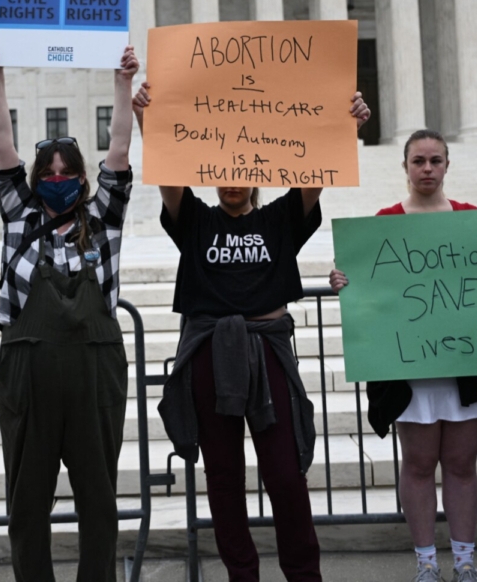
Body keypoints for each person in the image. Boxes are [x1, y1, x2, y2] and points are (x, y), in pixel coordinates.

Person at [135, 79, 371, 582]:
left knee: (285, 475)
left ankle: (303, 574)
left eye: (241, 169)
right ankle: (242, 574)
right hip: (209, 356)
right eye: (221, 170)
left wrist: (344, 122)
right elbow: (169, 176)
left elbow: (315, 173)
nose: (231, 179)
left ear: (256, 174)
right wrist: (148, 120)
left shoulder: (280, 219)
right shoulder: (195, 220)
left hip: (268, 354)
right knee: (222, 475)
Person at [330, 129, 477, 582]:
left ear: (447, 165)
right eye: (418, 161)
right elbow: (373, 292)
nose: (427, 168)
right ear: (406, 167)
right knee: (416, 463)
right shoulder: (384, 221)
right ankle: (427, 563)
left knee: (460, 463)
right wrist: (345, 284)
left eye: (435, 160)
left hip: (465, 365)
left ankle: (465, 561)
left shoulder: (472, 219)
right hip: (411, 367)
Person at [0, 41, 137, 582]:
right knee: (27, 504)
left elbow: (118, 146)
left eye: (66, 169)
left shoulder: (105, 218)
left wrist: (122, 84)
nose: (56, 177)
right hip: (28, 376)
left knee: (99, 500)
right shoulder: (21, 217)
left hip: (96, 375)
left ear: (81, 176)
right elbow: (3, 143)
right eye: (46, 171)